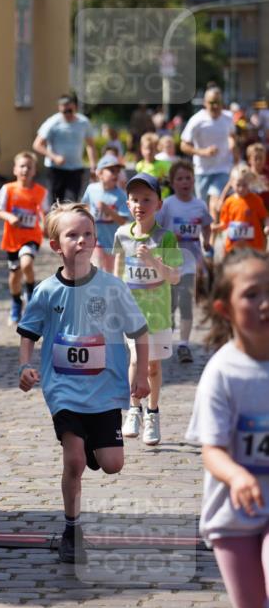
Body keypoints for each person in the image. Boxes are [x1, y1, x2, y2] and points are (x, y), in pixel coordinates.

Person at [17, 203, 149, 563]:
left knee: (112, 464)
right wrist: (25, 366)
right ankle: (72, 530)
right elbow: (28, 332)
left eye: (87, 234)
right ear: (56, 245)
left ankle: (95, 447)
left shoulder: (112, 287)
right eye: (72, 235)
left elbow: (139, 331)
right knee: (73, 460)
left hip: (105, 391)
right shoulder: (46, 291)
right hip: (63, 389)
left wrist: (140, 374)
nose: (81, 240)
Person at [185, 249, 269, 608]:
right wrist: (238, 475)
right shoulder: (223, 372)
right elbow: (211, 449)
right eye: (251, 294)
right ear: (223, 307)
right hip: (233, 517)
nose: (264, 304)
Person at [113, 173, 183, 446]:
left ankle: (152, 413)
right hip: (131, 312)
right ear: (128, 204)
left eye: (146, 199)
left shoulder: (166, 238)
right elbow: (118, 269)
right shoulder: (121, 234)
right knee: (134, 360)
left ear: (159, 204)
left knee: (152, 367)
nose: (140, 204)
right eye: (134, 199)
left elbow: (175, 276)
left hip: (158, 313)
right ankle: (134, 408)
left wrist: (154, 261)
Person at [158, 160, 213, 363]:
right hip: (169, 262)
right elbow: (156, 230)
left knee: (186, 303)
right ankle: (168, 332)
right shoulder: (167, 204)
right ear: (172, 183)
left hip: (191, 261)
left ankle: (183, 345)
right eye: (179, 179)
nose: (185, 182)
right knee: (170, 305)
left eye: (188, 178)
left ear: (193, 180)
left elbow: (207, 225)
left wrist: (207, 241)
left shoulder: (199, 205)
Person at [0, 151, 47, 324]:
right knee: (15, 275)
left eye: (29, 167)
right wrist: (10, 217)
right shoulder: (8, 189)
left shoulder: (40, 192)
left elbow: (44, 212)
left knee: (27, 263)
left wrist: (46, 225)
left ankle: (31, 294)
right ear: (15, 169)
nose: (25, 170)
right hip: (12, 240)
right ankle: (16, 302)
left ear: (34, 171)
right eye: (22, 166)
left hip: (31, 236)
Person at [180, 87, 237, 216]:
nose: (215, 106)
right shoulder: (196, 120)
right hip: (202, 170)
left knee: (215, 201)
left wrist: (233, 146)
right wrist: (202, 152)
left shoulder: (228, 117)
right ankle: (206, 233)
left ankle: (212, 233)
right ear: (205, 103)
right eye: (212, 102)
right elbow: (183, 145)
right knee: (202, 206)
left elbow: (232, 135)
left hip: (222, 168)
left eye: (218, 102)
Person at [33, 94, 96, 204]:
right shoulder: (52, 122)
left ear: (75, 107)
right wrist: (54, 157)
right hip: (56, 169)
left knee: (72, 202)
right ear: (59, 109)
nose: (67, 114)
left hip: (76, 168)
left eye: (69, 111)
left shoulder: (84, 122)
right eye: (64, 111)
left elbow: (90, 145)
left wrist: (93, 165)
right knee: (55, 203)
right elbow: (37, 145)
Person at [81, 153, 130, 273]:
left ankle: (105, 290)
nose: (116, 174)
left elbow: (123, 221)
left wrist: (108, 211)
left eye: (117, 171)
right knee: (97, 264)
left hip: (112, 241)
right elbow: (83, 206)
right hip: (96, 238)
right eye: (112, 170)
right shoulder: (91, 189)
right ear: (100, 173)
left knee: (109, 271)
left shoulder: (121, 195)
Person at [214, 164, 269, 255]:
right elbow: (225, 223)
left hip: (253, 246)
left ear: (250, 183)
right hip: (233, 247)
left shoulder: (256, 200)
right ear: (231, 184)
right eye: (238, 185)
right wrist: (216, 228)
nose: (241, 188)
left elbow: (265, 216)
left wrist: (267, 226)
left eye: (245, 185)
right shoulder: (229, 202)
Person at [134, 133, 171, 199]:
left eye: (152, 149)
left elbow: (169, 181)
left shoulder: (164, 165)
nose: (149, 152)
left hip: (162, 198)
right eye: (146, 148)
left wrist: (161, 183)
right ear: (141, 149)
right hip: (147, 199)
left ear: (156, 149)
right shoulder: (139, 166)